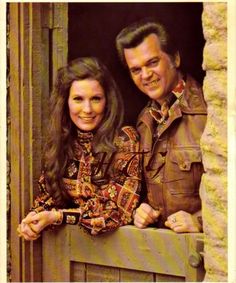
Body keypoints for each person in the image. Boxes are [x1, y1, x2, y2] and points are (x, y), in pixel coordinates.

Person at [17, 57, 141, 240]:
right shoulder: (62, 142)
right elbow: (50, 197)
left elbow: (117, 211)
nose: (87, 109)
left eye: (96, 99)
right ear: (66, 102)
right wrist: (34, 218)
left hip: (113, 256)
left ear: (108, 101)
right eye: (78, 99)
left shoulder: (125, 140)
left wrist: (57, 217)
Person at [116, 19, 207, 233]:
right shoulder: (143, 121)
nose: (145, 75)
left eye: (152, 62)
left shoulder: (211, 111)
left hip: (201, 258)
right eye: (136, 69)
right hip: (160, 257)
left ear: (175, 58)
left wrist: (201, 222)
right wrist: (141, 209)